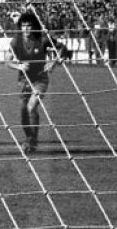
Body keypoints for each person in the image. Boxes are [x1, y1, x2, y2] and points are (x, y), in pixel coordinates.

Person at [6, 10, 71, 154]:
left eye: (29, 25)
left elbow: (62, 48)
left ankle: (32, 141)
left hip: (40, 79)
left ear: (33, 26)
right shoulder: (16, 41)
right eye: (23, 26)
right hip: (23, 81)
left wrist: (53, 63)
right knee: (24, 113)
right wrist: (19, 66)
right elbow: (7, 61)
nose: (26, 29)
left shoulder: (42, 38)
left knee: (31, 107)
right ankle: (30, 137)